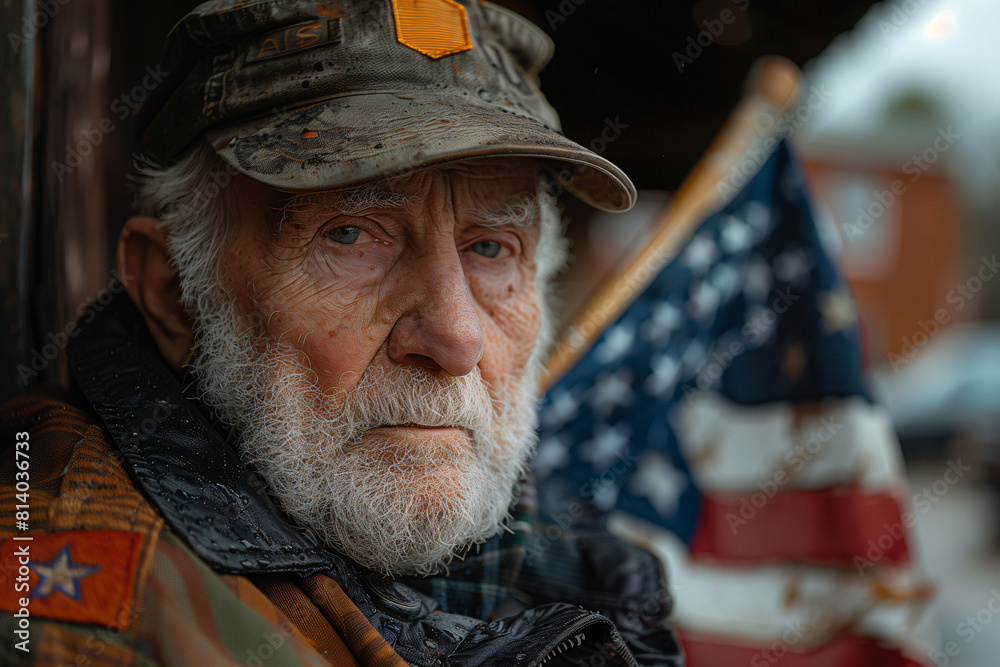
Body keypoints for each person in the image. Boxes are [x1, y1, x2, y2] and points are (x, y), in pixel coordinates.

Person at [0, 1, 683, 665]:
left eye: (492, 248)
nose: (454, 336)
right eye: (352, 236)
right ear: (173, 294)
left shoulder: (560, 559)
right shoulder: (75, 609)